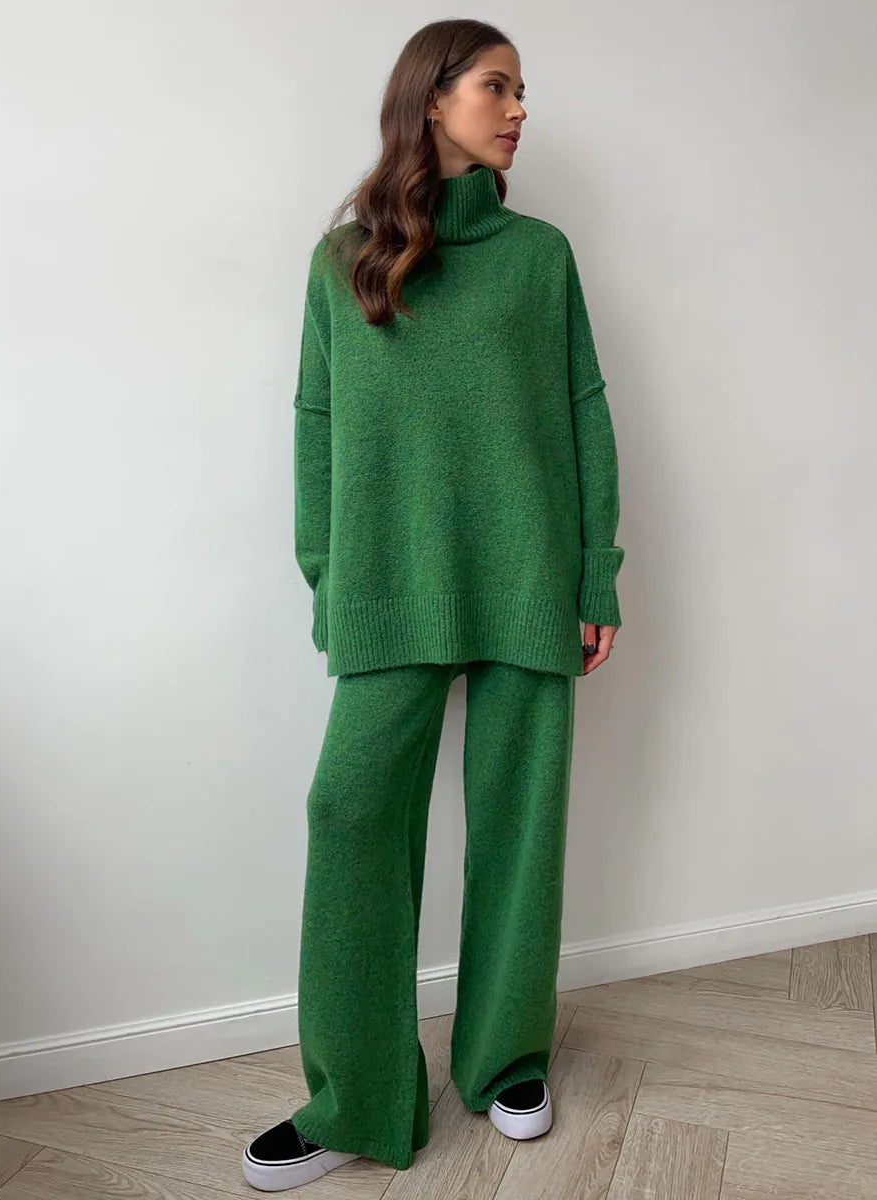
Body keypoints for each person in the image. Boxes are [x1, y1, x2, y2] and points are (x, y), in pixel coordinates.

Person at [242, 17, 624, 1192]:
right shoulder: (342, 261)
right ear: (431, 99)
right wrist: (328, 576)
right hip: (391, 588)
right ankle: (355, 1094)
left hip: (526, 582)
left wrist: (593, 571)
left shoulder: (540, 256)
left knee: (519, 826)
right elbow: (317, 434)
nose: (519, 110)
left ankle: (505, 1058)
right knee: (349, 816)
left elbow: (584, 415)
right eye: (497, 87)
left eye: (522, 90)